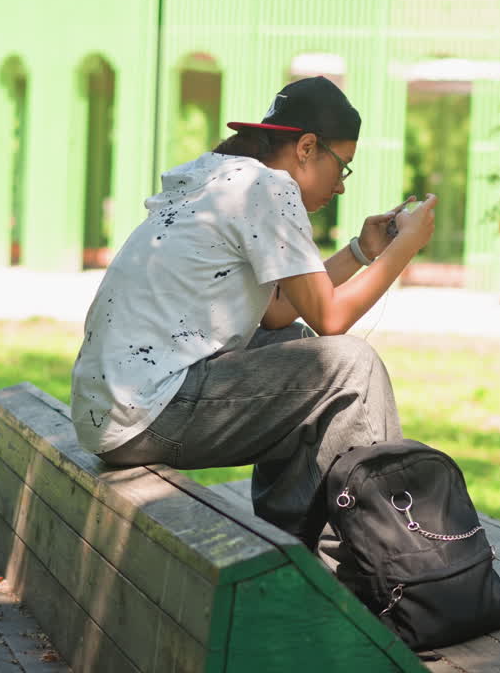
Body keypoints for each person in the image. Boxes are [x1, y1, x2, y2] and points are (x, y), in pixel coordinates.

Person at [69, 76, 438, 548]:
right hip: (148, 413)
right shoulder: (267, 188)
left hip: (115, 410)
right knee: (350, 364)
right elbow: (333, 320)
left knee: (301, 347)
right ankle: (395, 548)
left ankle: (293, 541)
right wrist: (404, 249)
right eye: (342, 167)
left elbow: (277, 314)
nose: (341, 188)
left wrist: (362, 251)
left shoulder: (224, 179)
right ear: (307, 147)